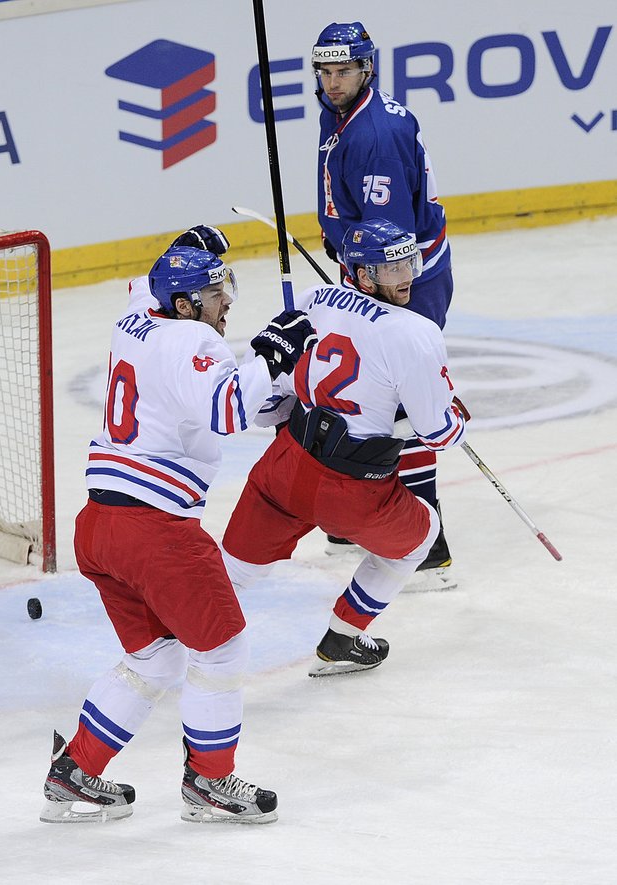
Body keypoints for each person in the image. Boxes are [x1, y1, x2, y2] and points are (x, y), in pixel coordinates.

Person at [40, 227, 317, 824]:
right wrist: (272, 352)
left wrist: (281, 392)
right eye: (217, 293)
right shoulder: (194, 339)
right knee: (222, 649)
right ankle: (209, 784)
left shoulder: (133, 319)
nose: (228, 303)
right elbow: (224, 406)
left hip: (99, 528)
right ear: (187, 304)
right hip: (155, 530)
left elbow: (209, 396)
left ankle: (77, 771)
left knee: (156, 660)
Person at [221, 218, 469, 676]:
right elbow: (439, 436)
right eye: (392, 270)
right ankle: (344, 636)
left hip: (284, 468)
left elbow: (265, 405)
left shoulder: (314, 300)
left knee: (230, 574)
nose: (407, 278)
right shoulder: (416, 333)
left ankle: (168, 645)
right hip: (356, 494)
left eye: (409, 264)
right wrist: (453, 414)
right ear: (361, 273)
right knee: (420, 537)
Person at [312, 21, 456, 585]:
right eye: (325, 72)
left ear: (366, 68)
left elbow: (391, 245)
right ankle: (355, 523)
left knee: (401, 406)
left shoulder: (375, 135)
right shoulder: (343, 110)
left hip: (403, 280)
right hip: (374, 267)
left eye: (343, 71)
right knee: (363, 393)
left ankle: (431, 542)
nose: (332, 82)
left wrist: (357, 270)